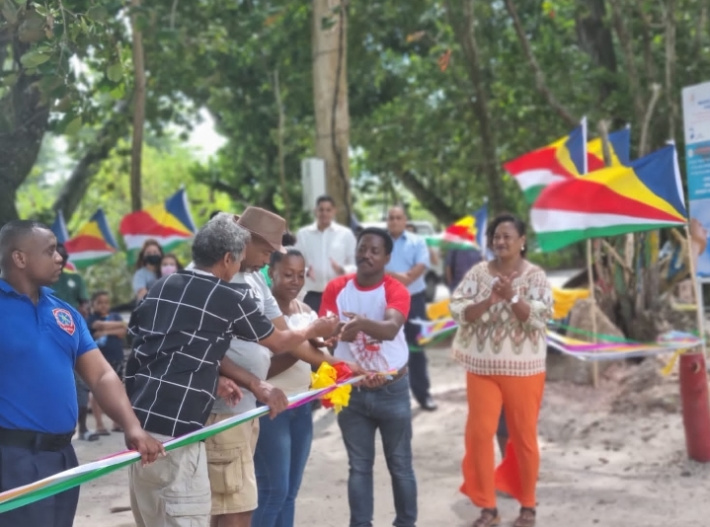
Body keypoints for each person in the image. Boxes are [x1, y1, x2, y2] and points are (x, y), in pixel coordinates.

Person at [125, 212, 339, 527]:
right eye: (264, 253)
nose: (263, 263)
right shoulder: (225, 295)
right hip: (183, 430)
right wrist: (314, 329)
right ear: (229, 257)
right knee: (219, 510)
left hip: (144, 423)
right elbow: (279, 342)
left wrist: (239, 380)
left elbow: (162, 345)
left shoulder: (163, 285)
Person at [0, 220, 164, 527]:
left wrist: (132, 426)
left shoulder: (65, 313)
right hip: (12, 459)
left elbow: (101, 375)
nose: (60, 257)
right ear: (19, 258)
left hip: (63, 457)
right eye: (50, 251)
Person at [205, 209, 349, 527]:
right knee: (252, 498)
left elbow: (283, 337)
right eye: (268, 252)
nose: (269, 259)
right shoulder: (221, 280)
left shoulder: (255, 277)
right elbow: (276, 345)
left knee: (269, 495)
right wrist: (323, 349)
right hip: (232, 407)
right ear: (246, 241)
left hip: (267, 403)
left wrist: (342, 365)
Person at [449, 213, 552, 527]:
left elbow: (539, 316)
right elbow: (458, 311)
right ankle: (488, 508)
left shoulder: (535, 277)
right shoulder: (479, 273)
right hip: (482, 367)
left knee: (523, 437)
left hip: (525, 370)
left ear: (522, 242)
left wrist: (513, 297)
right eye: (496, 236)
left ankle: (528, 506)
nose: (501, 241)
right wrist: (490, 299)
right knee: (479, 435)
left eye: (508, 236)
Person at [320, 227, 417, 527]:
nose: (366, 255)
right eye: (362, 248)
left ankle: (405, 523)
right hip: (352, 391)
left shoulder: (395, 290)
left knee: (400, 465)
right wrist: (334, 337)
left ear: (387, 257)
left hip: (393, 390)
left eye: (375, 251)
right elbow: (323, 339)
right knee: (359, 467)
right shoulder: (337, 288)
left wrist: (361, 323)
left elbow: (390, 330)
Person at [252, 241, 351, 527]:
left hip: (302, 408)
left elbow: (319, 360)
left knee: (291, 492)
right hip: (271, 410)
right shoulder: (262, 314)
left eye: (300, 274)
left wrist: (325, 343)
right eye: (287, 274)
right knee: (273, 491)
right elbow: (261, 371)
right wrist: (299, 346)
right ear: (271, 273)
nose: (294, 281)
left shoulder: (307, 310)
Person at [385, 205, 436, 411]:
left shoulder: (417, 242)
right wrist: (399, 275)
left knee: (416, 348)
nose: (395, 221)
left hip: (414, 300)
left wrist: (387, 272)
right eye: (391, 218)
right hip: (387, 302)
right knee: (387, 348)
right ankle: (393, 396)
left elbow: (412, 277)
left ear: (405, 220)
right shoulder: (380, 243)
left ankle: (423, 394)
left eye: (398, 218)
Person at [51, 243, 96, 441]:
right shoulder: (40, 283)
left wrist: (84, 311)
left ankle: (83, 428)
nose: (59, 258)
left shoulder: (75, 279)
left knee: (81, 382)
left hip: (74, 336)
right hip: (49, 339)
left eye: (62, 255)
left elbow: (84, 301)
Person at [295, 195, 357, 313]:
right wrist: (307, 271)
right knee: (313, 328)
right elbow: (297, 261)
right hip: (313, 294)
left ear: (334, 211)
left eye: (328, 210)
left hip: (339, 294)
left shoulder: (345, 234)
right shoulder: (304, 234)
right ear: (315, 211)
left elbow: (355, 264)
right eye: (321, 209)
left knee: (339, 329)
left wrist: (342, 269)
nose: (324, 213)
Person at [87, 290, 128, 435]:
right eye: (100, 302)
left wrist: (105, 332)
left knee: (118, 390)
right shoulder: (91, 319)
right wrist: (114, 327)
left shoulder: (115, 315)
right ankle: (99, 424)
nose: (103, 305)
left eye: (106, 302)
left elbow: (123, 330)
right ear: (93, 304)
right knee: (97, 391)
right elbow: (99, 325)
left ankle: (117, 423)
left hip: (117, 358)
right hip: (99, 360)